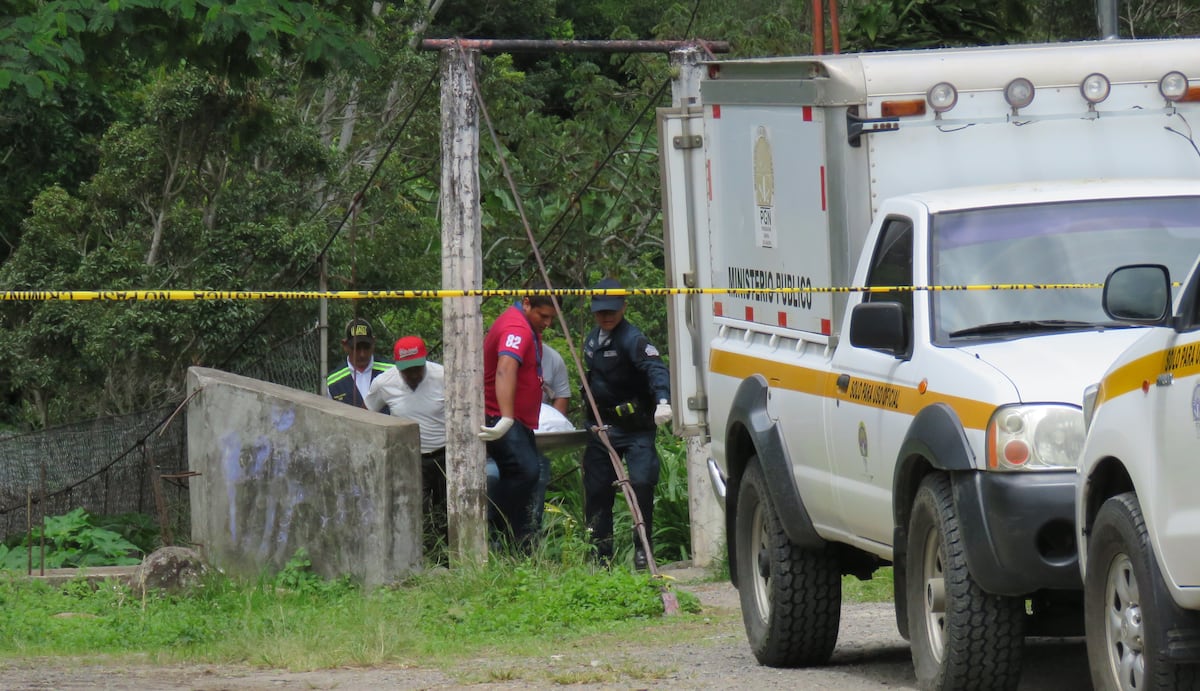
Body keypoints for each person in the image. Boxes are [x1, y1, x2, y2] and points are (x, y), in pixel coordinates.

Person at [581, 278, 672, 569]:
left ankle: (643, 550)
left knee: (642, 483)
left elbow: (655, 369)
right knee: (597, 491)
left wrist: (663, 400)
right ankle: (599, 556)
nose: (606, 316)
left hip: (635, 428)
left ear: (623, 307)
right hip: (602, 427)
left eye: (612, 310)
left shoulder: (634, 340)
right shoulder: (591, 340)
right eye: (601, 311)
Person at [479, 291, 557, 550]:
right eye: (543, 316)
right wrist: (506, 417)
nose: (547, 323)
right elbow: (505, 368)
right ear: (526, 304)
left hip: (520, 420)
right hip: (500, 415)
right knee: (526, 471)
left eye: (551, 318)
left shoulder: (527, 324)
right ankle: (492, 528)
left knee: (528, 473)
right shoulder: (517, 328)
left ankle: (518, 543)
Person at [365, 335, 447, 553]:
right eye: (407, 370)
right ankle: (428, 555)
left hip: (444, 453)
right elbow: (367, 414)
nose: (413, 375)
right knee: (419, 509)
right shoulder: (384, 383)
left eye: (417, 368)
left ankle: (452, 556)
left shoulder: (443, 376)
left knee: (447, 507)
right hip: (411, 458)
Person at [327, 318, 394, 413]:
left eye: (366, 347)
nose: (362, 354)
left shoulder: (392, 371)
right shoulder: (332, 383)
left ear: (373, 342)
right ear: (345, 345)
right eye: (356, 348)